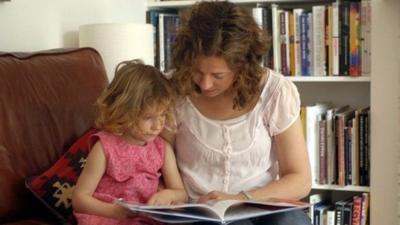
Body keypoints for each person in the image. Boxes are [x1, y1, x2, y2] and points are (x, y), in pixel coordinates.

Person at [162, 1, 312, 225]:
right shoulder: (171, 90)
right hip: (199, 211)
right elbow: (156, 159)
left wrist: (240, 199)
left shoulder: (274, 91)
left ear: (242, 67)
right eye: (197, 71)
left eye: (218, 75)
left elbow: (300, 179)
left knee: (291, 221)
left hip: (260, 204)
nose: (205, 84)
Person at [72, 59, 188, 225]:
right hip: (107, 216)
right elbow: (79, 198)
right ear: (124, 112)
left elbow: (181, 193)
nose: (157, 126)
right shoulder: (105, 147)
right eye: (148, 118)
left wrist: (168, 195)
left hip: (145, 218)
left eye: (162, 115)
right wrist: (114, 212)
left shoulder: (162, 149)